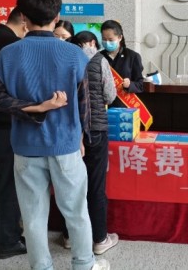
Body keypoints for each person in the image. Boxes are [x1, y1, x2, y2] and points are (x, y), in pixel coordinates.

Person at [0, 0, 109, 270]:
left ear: (23, 17)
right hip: (66, 144)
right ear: (57, 16)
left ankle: (42, 267)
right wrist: (83, 137)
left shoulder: (7, 54)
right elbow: (84, 104)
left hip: (25, 147)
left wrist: (36, 108)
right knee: (76, 212)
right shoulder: (74, 55)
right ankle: (84, 264)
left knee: (33, 217)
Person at [61, 31, 119, 255]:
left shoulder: (65, 59)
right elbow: (110, 95)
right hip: (95, 129)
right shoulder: (99, 60)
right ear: (93, 43)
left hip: (69, 130)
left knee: (69, 185)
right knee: (95, 185)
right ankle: (99, 239)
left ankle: (69, 236)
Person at [0, 7, 27, 260]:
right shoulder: (13, 47)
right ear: (25, 23)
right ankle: (8, 241)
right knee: (7, 184)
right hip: (4, 125)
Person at [100, 20, 144, 106]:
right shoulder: (98, 57)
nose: (107, 42)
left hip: (124, 106)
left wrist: (130, 85)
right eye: (104, 39)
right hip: (103, 106)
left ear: (120, 37)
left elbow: (140, 85)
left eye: (110, 39)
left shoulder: (132, 56)